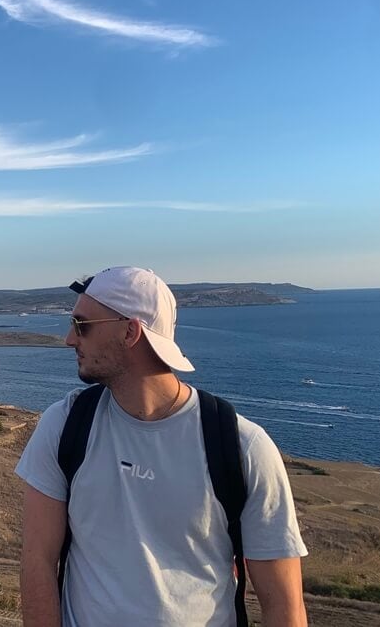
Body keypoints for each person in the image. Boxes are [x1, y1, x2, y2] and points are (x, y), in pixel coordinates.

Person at [16, 266, 308, 626]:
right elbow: (37, 562)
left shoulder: (242, 447)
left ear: (130, 331)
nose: (69, 339)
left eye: (82, 325)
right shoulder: (65, 426)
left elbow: (284, 606)